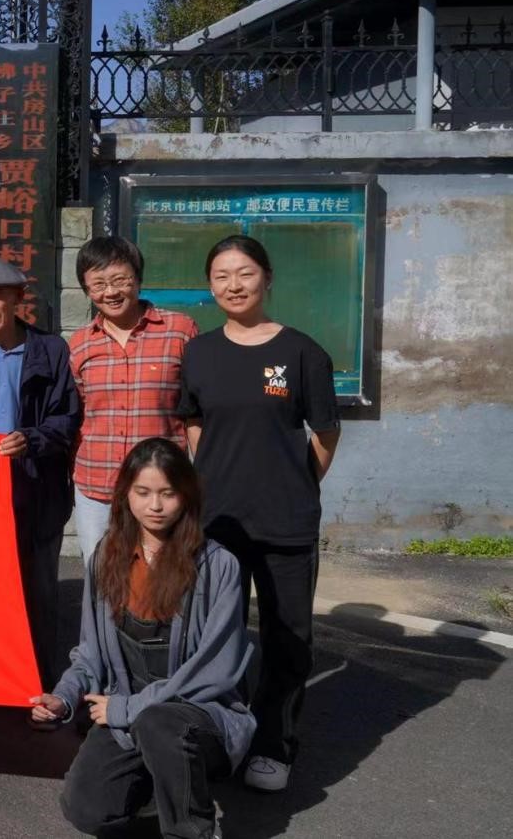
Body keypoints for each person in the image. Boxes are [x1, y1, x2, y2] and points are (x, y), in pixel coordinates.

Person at [178, 234, 340, 793]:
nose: (233, 285)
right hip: (217, 521)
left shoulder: (302, 352)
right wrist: (215, 475)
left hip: (285, 521)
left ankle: (274, 743)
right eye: (221, 276)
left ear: (267, 278)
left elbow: (325, 433)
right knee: (214, 634)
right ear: (210, 286)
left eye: (244, 273)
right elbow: (193, 420)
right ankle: (222, 734)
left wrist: (295, 483)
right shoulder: (199, 352)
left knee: (286, 637)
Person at [35, 437, 252, 839]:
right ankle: (163, 784)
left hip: (196, 715)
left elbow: (215, 672)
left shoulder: (218, 566)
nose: (155, 505)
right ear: (125, 495)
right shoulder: (106, 557)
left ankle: (192, 829)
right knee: (86, 810)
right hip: (127, 711)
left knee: (158, 723)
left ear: (186, 495)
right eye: (143, 492)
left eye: (167, 493)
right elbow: (90, 653)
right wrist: (63, 697)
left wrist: (128, 708)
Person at [0, 257, 82, 693]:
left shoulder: (51, 350)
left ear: (19, 298)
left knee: (39, 591)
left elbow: (67, 418)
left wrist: (32, 438)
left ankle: (41, 682)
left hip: (38, 487)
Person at [68, 236, 198, 566]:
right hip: (97, 485)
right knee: (100, 574)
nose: (110, 292)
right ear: (87, 289)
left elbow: (197, 409)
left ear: (138, 278)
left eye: (120, 280)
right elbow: (76, 414)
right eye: (98, 284)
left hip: (161, 488)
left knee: (164, 576)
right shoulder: (80, 343)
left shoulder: (179, 331)